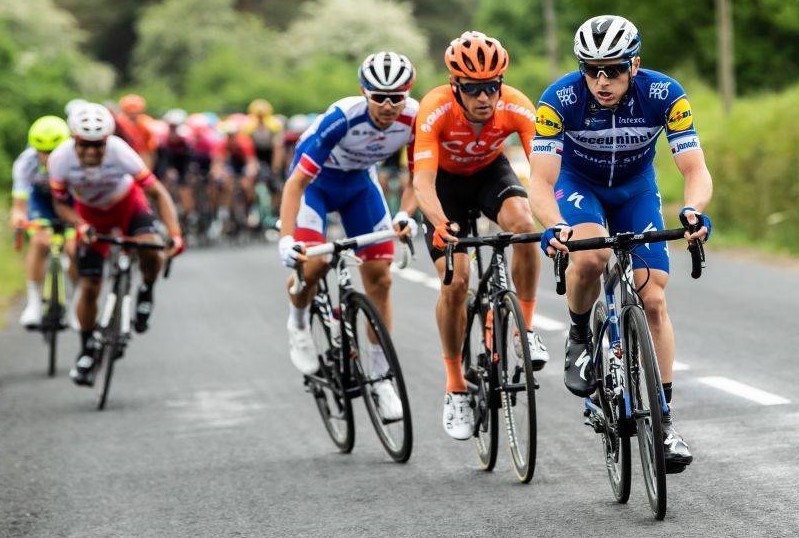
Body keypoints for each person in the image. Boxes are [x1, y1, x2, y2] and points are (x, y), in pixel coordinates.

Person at [528, 15, 712, 473]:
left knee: (653, 298)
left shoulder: (664, 93)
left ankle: (664, 422)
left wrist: (693, 210)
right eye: (591, 70)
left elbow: (694, 168)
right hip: (579, 186)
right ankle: (578, 334)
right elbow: (541, 181)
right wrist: (555, 225)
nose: (602, 81)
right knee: (591, 255)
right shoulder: (559, 100)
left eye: (612, 69)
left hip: (635, 189)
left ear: (635, 64)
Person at [411, 31, 550, 441]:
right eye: (473, 88)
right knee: (456, 282)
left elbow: (544, 172)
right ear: (455, 85)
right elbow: (422, 182)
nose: (484, 97)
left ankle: (524, 330)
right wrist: (441, 224)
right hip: (445, 188)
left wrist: (560, 218)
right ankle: (455, 385)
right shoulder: (435, 108)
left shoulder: (516, 105)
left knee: (525, 226)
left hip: (490, 174)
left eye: (492, 86)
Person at [278, 51, 419, 421]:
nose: (388, 106)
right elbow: (296, 183)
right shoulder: (342, 118)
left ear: (407, 94)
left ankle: (380, 378)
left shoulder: (413, 118)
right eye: (379, 97)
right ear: (363, 92)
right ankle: (298, 323)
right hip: (316, 185)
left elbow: (419, 177)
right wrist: (286, 239)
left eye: (396, 97)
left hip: (359, 185)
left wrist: (405, 213)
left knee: (381, 278)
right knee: (316, 262)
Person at [48, 102, 184, 386]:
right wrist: (79, 225)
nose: (92, 152)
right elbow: (60, 204)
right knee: (90, 286)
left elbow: (158, 193)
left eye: (98, 145)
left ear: (107, 140)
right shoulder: (60, 159)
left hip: (128, 207)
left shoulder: (120, 151)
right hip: (90, 217)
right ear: (74, 140)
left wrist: (175, 233)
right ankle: (87, 348)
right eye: (85, 145)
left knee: (150, 247)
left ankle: (146, 291)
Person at [9, 116, 77, 327]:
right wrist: (19, 218)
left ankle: (76, 304)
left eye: (53, 151)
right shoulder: (25, 163)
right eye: (42, 151)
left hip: (71, 202)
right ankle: (34, 303)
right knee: (39, 242)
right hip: (41, 202)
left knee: (74, 249)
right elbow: (19, 204)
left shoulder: (76, 159)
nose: (47, 157)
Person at [244, 99, 286, 220]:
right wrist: (252, 164)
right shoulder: (249, 128)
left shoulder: (274, 126)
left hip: (270, 155)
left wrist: (276, 167)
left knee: (277, 185)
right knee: (250, 181)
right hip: (256, 156)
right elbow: (248, 149)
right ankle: (252, 209)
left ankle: (277, 211)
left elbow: (278, 148)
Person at [114, 94, 158, 169]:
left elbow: (148, 151)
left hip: (139, 159)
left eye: (135, 111)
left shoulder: (145, 124)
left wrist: (147, 170)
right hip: (122, 159)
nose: (133, 115)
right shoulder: (119, 125)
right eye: (129, 112)